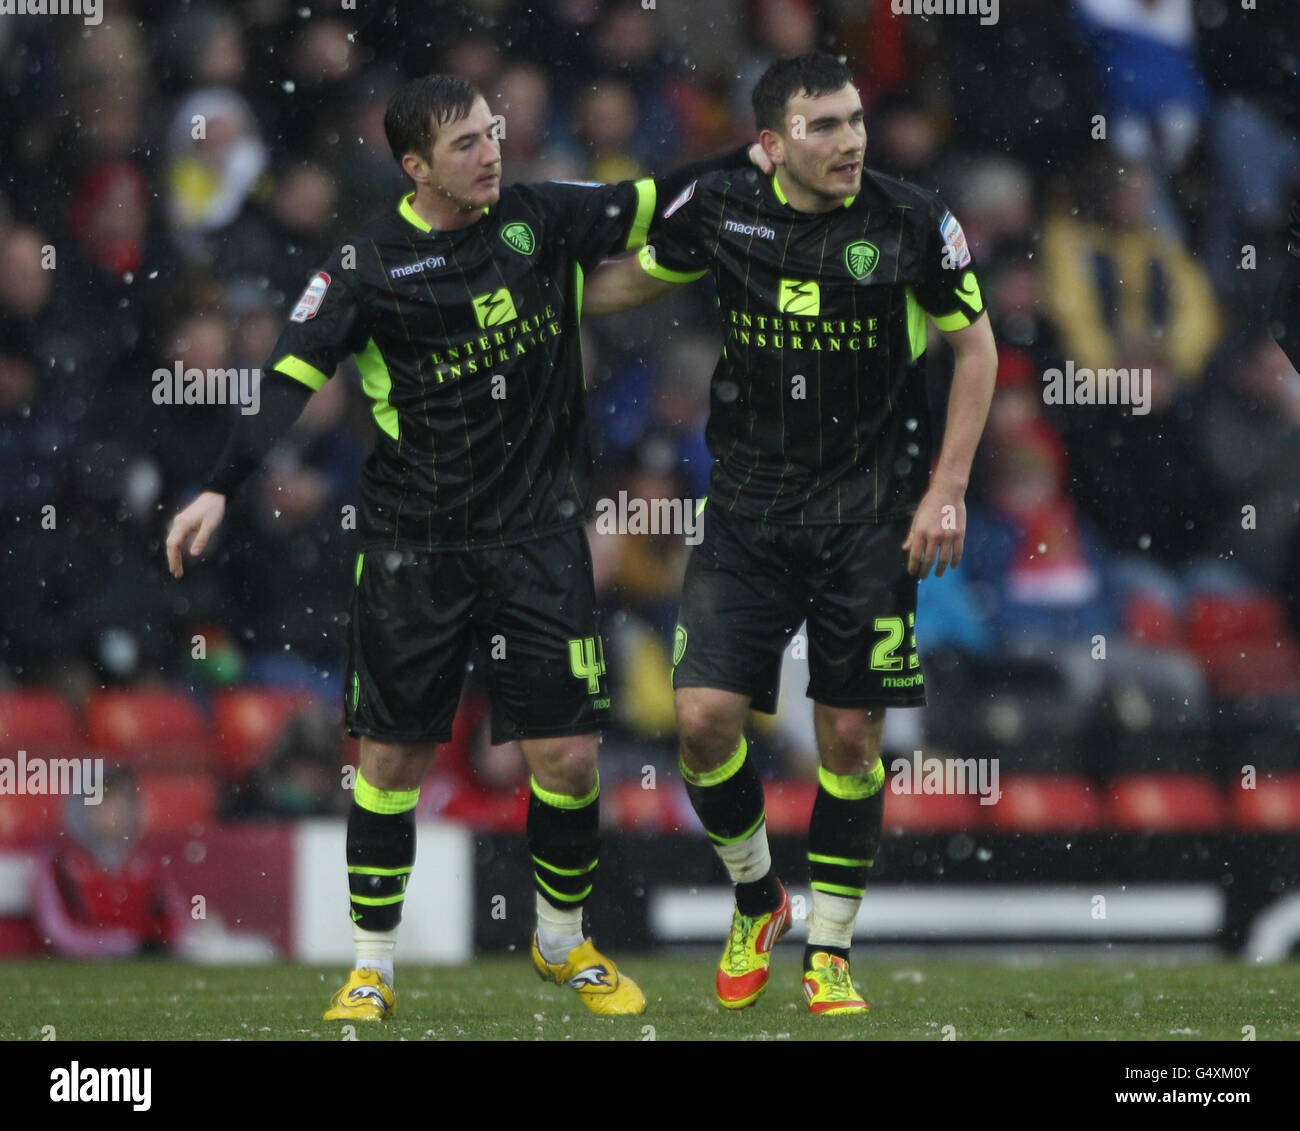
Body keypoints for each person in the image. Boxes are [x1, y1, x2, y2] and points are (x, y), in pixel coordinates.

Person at [165, 74, 764, 1021]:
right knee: (392, 762)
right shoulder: (364, 265)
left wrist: (758, 156)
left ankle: (562, 941)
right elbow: (288, 376)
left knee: (566, 759)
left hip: (538, 538)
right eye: (467, 145)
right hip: (416, 547)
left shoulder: (537, 219)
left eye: (493, 133)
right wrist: (216, 487)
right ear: (415, 166)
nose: (492, 152)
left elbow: (655, 196)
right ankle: (372, 966)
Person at [582, 52, 997, 1014]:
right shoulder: (724, 209)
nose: (849, 140)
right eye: (824, 127)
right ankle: (759, 896)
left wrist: (949, 487)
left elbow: (976, 349)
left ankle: (833, 953)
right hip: (748, 510)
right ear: (771, 145)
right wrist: (510, 282)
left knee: (850, 737)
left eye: (854, 120)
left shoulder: (912, 219)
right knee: (701, 722)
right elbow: (618, 286)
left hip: (871, 516)